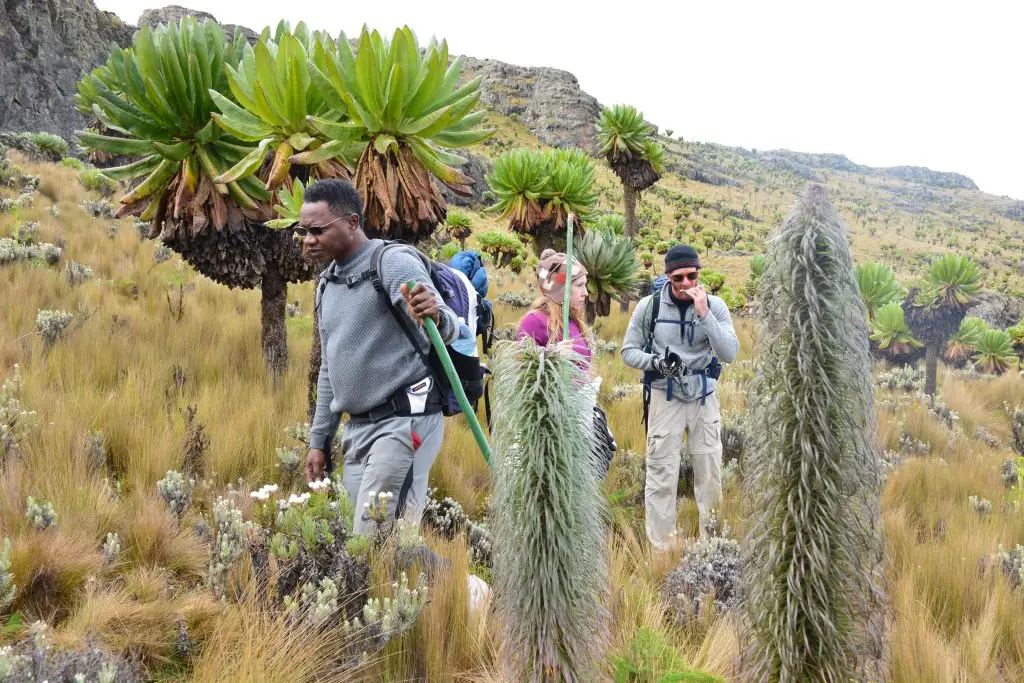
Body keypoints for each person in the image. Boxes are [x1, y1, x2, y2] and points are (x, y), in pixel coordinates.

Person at [302, 179, 460, 534]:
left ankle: (464, 588)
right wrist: (318, 440)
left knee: (380, 538)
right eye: (304, 231)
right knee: (365, 545)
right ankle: (454, 587)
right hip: (357, 429)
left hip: (404, 421)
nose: (308, 240)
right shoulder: (327, 284)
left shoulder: (392, 263)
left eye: (317, 230)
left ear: (352, 223)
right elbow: (330, 368)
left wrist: (436, 314)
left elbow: (447, 327)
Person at [621, 244, 739, 546]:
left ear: (699, 273)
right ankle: (662, 548)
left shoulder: (716, 306)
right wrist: (656, 363)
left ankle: (712, 546)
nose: (686, 284)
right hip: (665, 396)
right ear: (668, 276)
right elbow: (628, 351)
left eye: (692, 276)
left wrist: (704, 316)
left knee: (710, 474)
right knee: (661, 473)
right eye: (678, 278)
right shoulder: (650, 307)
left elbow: (730, 352)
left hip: (704, 400)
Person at [517, 249, 616, 472]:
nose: (585, 292)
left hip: (577, 420)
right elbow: (521, 372)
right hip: (547, 425)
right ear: (560, 289)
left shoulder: (574, 323)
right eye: (579, 285)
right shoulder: (534, 322)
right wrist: (550, 357)